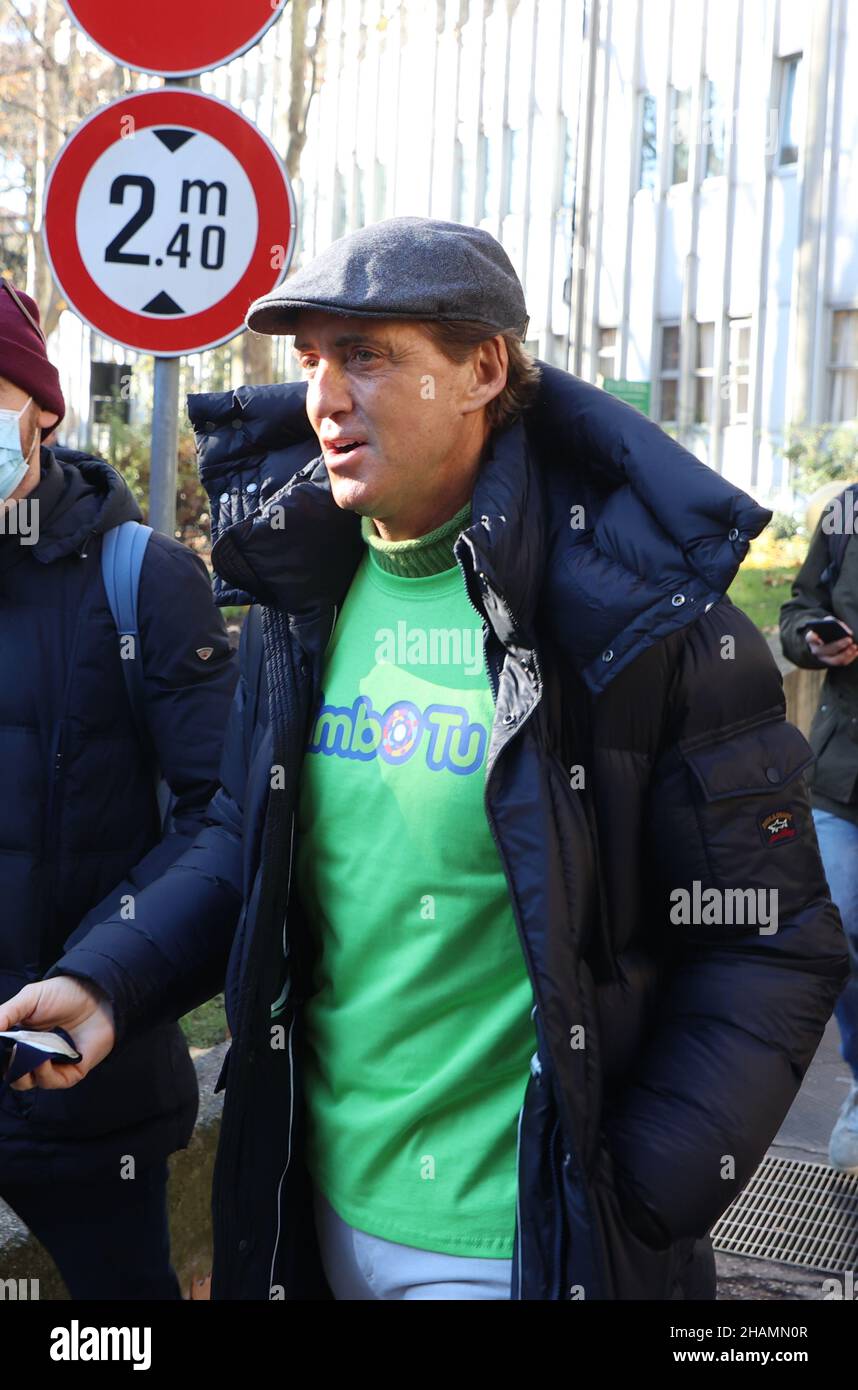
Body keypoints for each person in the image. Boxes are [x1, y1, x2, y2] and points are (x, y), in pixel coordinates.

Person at [0, 220, 847, 1301]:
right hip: (308, 1214)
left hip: (518, 1247)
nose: (325, 397)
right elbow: (242, 842)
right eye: (310, 360)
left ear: (482, 369)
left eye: (368, 355)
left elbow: (770, 941)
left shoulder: (645, 625)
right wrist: (108, 979)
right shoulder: (297, 599)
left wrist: (637, 1191)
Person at [0, 280, 238, 1298]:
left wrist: (101, 980)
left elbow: (222, 820)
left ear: (39, 406)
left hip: (83, 1096)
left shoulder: (140, 578)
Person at [780, 484, 858, 1172]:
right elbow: (799, 607)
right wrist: (811, 639)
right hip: (843, 778)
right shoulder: (846, 512)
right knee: (841, 936)